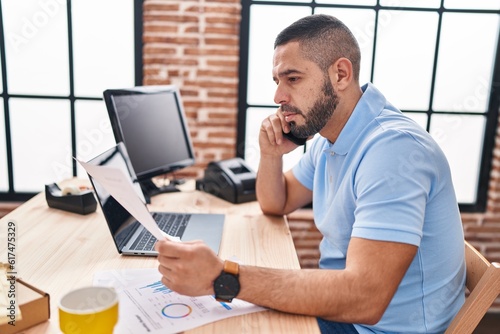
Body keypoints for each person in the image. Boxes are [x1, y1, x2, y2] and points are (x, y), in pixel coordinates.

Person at [155, 14, 466, 333]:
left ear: (341, 74)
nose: (278, 97)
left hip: (374, 327)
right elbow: (277, 202)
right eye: (277, 81)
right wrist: (270, 154)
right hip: (350, 313)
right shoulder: (332, 136)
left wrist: (223, 277)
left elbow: (365, 299)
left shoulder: (392, 149)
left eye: (293, 79)